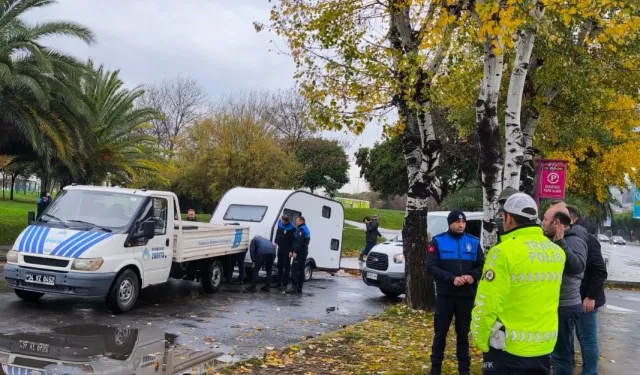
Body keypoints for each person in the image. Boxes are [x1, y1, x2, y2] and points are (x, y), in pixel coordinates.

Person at [471, 193, 566, 374]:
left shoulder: (502, 253)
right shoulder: (557, 253)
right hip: (544, 347)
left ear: (509, 218)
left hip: (507, 348)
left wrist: (481, 340)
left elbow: (487, 303)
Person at [427, 209, 484, 375]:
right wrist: (451, 278)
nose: (461, 225)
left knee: (463, 333)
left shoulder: (473, 242)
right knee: (440, 333)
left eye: (463, 222)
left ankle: (464, 369)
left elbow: (482, 265)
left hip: (466, 296)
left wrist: (473, 276)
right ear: (450, 223)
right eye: (457, 222)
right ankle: (435, 368)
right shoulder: (438, 241)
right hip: (445, 295)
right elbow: (431, 266)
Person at [541, 202, 588, 375]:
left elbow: (577, 267)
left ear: (557, 223)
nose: (542, 222)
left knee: (561, 354)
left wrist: (561, 242)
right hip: (557, 304)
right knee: (558, 352)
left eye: (546, 219)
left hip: (566, 306)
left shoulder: (574, 239)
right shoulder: (555, 238)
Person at [567, 206, 608, 375]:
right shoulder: (566, 238)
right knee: (569, 337)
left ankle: (590, 372)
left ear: (573, 219)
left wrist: (590, 297)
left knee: (587, 339)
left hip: (586, 299)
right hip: (570, 298)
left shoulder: (588, 240)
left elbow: (600, 270)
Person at [286, 216, 310, 294]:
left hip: (300, 252)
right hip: (303, 252)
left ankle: (294, 287)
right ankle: (299, 288)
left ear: (302, 221)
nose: (296, 222)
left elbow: (299, 242)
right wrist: (291, 250)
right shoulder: (303, 228)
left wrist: (295, 251)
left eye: (297, 221)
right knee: (301, 269)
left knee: (295, 269)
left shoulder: (302, 230)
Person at [274, 215, 295, 290]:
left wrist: (291, 251)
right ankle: (278, 283)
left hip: (287, 249)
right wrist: (276, 242)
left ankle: (285, 284)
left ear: (287, 221)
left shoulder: (292, 228)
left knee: (286, 267)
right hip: (280, 247)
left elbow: (293, 241)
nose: (282, 222)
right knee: (279, 266)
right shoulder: (280, 224)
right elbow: (277, 233)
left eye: (284, 221)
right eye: (282, 220)